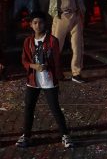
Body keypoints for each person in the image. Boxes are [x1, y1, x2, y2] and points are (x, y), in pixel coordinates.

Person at [15, 12, 74, 149]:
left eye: (40, 22)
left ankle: (65, 135)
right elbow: (24, 60)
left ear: (45, 23)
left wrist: (56, 75)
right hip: (33, 80)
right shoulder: (28, 41)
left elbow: (57, 61)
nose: (38, 25)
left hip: (48, 80)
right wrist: (33, 66)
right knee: (29, 108)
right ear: (31, 25)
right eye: (35, 23)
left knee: (55, 108)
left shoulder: (52, 41)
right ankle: (26, 135)